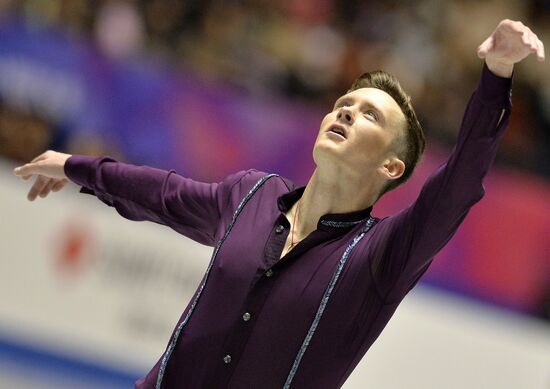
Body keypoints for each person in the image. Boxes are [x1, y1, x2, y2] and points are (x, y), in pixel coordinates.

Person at [13, 19, 545, 389]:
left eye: (368, 117)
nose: (345, 113)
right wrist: (75, 165)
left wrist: (496, 75)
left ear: (391, 168)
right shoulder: (251, 196)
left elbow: (459, 186)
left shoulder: (382, 256)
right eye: (344, 104)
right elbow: (165, 193)